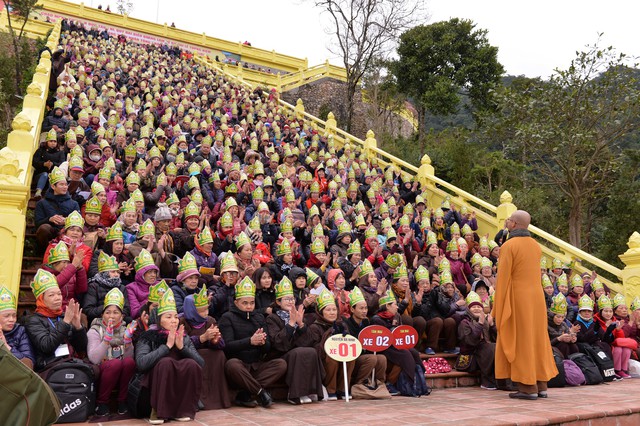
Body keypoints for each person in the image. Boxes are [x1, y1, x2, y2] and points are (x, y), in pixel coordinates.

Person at [493, 210, 557, 400]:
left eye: (509, 219)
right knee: (536, 338)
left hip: (518, 297)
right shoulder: (536, 246)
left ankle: (528, 387)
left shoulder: (509, 245)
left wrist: (498, 307)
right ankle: (541, 384)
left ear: (514, 224)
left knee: (522, 340)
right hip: (536, 297)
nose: (506, 221)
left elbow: (503, 278)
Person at [135, 289, 204, 424]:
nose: (174, 321)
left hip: (178, 389)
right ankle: (157, 411)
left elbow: (200, 364)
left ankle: (180, 410)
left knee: (190, 364)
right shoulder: (148, 336)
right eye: (168, 317)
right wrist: (166, 347)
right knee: (166, 362)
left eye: (176, 317)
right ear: (159, 319)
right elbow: (141, 364)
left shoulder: (184, 338)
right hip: (150, 393)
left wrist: (182, 348)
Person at [218, 276, 287, 408]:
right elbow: (227, 346)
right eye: (245, 303)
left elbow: (267, 348)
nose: (249, 306)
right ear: (236, 302)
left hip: (256, 366)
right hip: (239, 367)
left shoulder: (259, 317)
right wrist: (250, 341)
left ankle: (246, 392)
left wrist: (262, 343)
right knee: (232, 364)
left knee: (281, 364)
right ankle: (260, 392)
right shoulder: (227, 318)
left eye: (252, 303)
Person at [266, 277, 324, 404]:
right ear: (278, 302)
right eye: (287, 299)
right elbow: (278, 343)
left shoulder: (299, 314)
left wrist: (301, 324)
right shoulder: (272, 319)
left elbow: (310, 340)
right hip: (281, 354)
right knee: (300, 352)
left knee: (311, 350)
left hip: (297, 350)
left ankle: (312, 390)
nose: (290, 302)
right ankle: (296, 394)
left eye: (292, 299)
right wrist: (291, 324)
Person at [25, 269, 88, 377]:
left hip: (70, 361)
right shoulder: (33, 320)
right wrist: (65, 322)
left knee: (94, 371)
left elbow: (81, 348)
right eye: (51, 295)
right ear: (41, 299)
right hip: (49, 365)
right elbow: (46, 346)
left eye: (59, 294)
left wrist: (78, 327)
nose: (57, 298)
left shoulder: (64, 316)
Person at [87, 288, 136, 416]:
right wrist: (106, 341)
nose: (111, 316)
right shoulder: (95, 330)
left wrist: (128, 342)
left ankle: (122, 401)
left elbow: (129, 358)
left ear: (122, 316)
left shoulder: (126, 329)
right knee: (115, 364)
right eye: (108, 312)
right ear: (102, 315)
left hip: (120, 369)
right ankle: (102, 402)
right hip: (104, 369)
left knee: (129, 362)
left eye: (115, 312)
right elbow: (94, 359)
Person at [180, 287, 231, 410]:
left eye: (206, 309)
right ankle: (196, 399)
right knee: (195, 359)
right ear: (192, 310)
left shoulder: (210, 320)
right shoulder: (182, 321)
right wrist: (202, 338)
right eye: (201, 311)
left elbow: (221, 344)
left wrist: (215, 341)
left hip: (209, 354)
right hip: (191, 354)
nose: (206, 313)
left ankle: (217, 398)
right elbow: (183, 343)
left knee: (219, 355)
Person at [458, 291, 498, 390]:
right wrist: (480, 324)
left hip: (486, 352)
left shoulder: (485, 320)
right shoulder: (464, 322)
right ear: (468, 309)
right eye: (473, 307)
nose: (477, 309)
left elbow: (496, 339)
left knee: (496, 346)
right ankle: (486, 381)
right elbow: (470, 341)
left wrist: (492, 326)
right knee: (490, 348)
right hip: (471, 356)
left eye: (479, 307)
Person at [0, 287, 34, 368]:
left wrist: (7, 347)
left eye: (14, 315)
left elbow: (29, 364)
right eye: (6, 316)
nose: (11, 320)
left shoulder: (20, 331)